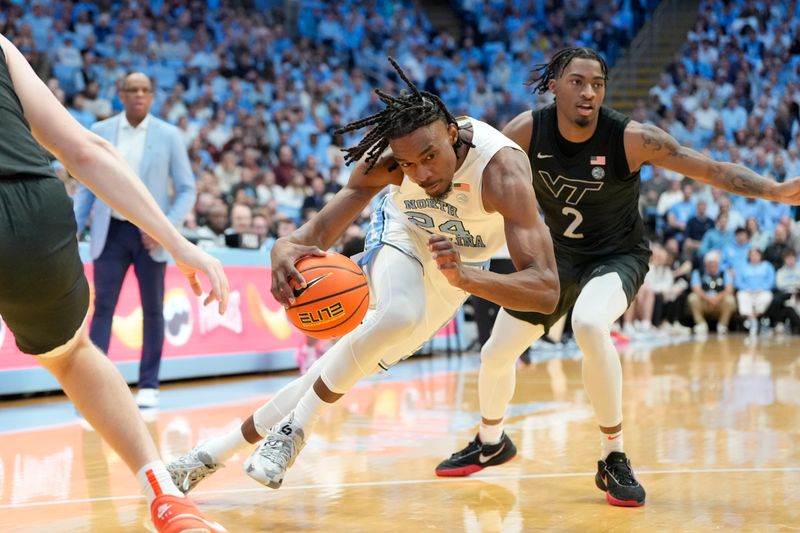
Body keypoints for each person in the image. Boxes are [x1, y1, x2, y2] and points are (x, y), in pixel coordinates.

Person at [167, 57, 559, 493]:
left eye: (430, 157)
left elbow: (544, 291)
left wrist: (466, 278)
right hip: (405, 231)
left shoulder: (502, 171)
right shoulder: (389, 163)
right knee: (397, 316)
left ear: (452, 133)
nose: (422, 173)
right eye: (410, 165)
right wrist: (283, 249)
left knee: (348, 367)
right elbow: (313, 234)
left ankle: (208, 455)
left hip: (462, 261)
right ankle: (293, 432)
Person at [436, 47, 800, 508]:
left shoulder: (629, 138)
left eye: (597, 83)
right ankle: (491, 442)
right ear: (554, 85)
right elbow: (479, 173)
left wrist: (773, 191)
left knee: (589, 323)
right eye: (577, 82)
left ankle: (614, 456)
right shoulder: (526, 131)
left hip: (617, 256)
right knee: (494, 354)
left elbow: (707, 167)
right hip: (558, 258)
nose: (588, 92)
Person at [0, 35, 228, 533]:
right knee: (73, 353)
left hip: (84, 226)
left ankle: (151, 396)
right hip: (34, 212)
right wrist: (179, 243)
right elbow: (83, 150)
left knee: (121, 323)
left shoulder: (166, 134)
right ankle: (166, 499)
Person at [73, 72, 196, 409]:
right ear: (121, 94)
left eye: (145, 89)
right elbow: (86, 184)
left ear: (153, 95)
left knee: (153, 311)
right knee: (102, 310)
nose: (139, 94)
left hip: (150, 235)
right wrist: (73, 228)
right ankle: (94, 389)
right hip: (109, 231)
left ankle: (149, 385)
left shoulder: (169, 135)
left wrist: (165, 230)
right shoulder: (100, 132)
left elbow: (187, 189)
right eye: (132, 89)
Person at [687, 250, 736, 335]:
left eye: (715, 263)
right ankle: (701, 324)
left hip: (719, 303)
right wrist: (708, 298)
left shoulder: (724, 273)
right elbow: (696, 289)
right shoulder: (698, 272)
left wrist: (717, 298)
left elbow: (729, 289)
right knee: (692, 297)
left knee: (730, 299)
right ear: (706, 264)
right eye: (710, 264)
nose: (713, 266)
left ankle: (722, 325)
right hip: (704, 302)